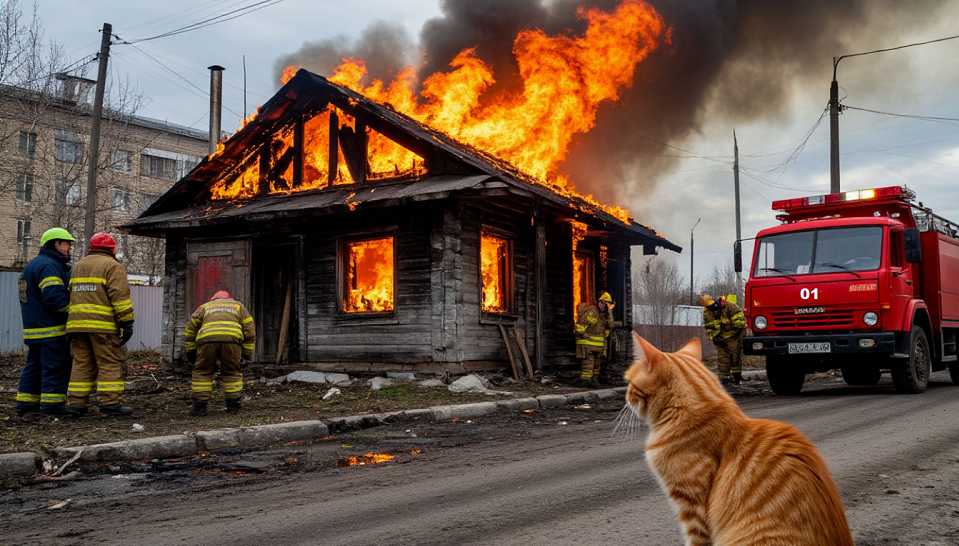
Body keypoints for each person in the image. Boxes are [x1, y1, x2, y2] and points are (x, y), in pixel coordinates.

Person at [65, 232, 135, 417]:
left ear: (90, 247)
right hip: (103, 327)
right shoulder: (112, 266)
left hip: (76, 326)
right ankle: (110, 404)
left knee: (81, 363)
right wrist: (127, 322)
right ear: (113, 249)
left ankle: (76, 405)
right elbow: (120, 297)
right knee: (110, 363)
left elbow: (70, 293)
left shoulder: (78, 266)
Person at [15, 228, 75, 415]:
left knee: (34, 367)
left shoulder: (34, 265)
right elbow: (54, 298)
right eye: (67, 243)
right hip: (52, 330)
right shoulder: (49, 265)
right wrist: (74, 314)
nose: (69, 248)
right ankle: (53, 406)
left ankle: (26, 404)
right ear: (56, 244)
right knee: (55, 368)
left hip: (35, 329)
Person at [184, 290, 256, 416]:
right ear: (229, 298)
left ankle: (200, 408)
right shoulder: (239, 307)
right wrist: (246, 353)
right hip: (232, 342)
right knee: (232, 372)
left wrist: (191, 350)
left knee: (202, 372)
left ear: (214, 299)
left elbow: (190, 329)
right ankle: (233, 406)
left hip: (206, 342)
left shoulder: (204, 307)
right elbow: (250, 331)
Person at [701, 294, 747, 385]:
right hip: (721, 338)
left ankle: (737, 378)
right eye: (709, 307)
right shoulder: (708, 312)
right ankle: (724, 380)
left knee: (735, 358)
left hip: (734, 336)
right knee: (723, 359)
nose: (713, 309)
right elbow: (709, 327)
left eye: (713, 306)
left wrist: (735, 336)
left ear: (715, 302)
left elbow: (741, 324)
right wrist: (715, 338)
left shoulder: (731, 307)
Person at [574, 291, 615, 388]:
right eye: (604, 304)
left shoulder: (604, 315)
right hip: (588, 344)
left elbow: (610, 326)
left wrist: (609, 312)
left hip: (599, 346)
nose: (604, 306)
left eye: (607, 305)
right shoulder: (592, 311)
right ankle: (585, 382)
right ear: (600, 303)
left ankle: (594, 381)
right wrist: (582, 338)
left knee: (597, 366)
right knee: (588, 365)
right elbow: (580, 327)